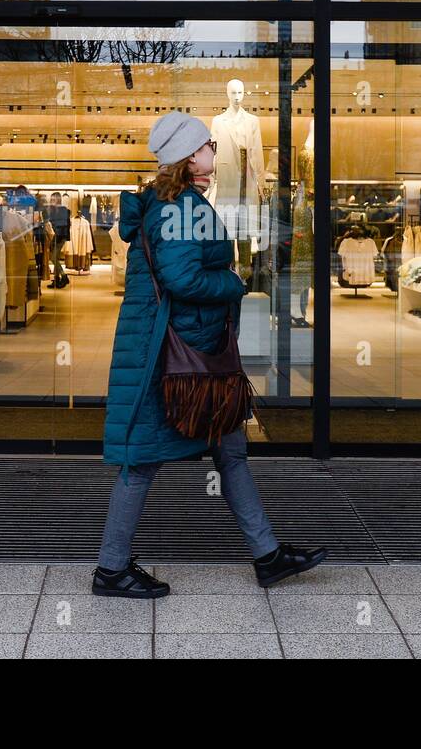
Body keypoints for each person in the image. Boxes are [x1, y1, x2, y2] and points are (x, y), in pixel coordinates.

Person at [93, 111, 327, 598]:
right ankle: (111, 570)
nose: (215, 153)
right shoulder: (177, 208)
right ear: (188, 156)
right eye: (208, 146)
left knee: (231, 450)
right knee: (140, 460)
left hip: (187, 350)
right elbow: (184, 279)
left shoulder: (180, 204)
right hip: (172, 355)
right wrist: (234, 283)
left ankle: (267, 556)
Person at [47, 192, 71, 287]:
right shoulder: (54, 210)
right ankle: (56, 279)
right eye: (51, 199)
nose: (52, 201)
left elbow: (62, 226)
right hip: (57, 236)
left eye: (54, 199)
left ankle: (64, 277)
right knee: (54, 258)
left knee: (53, 258)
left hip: (60, 236)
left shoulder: (62, 210)